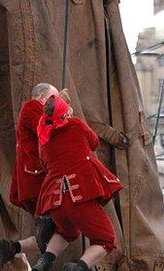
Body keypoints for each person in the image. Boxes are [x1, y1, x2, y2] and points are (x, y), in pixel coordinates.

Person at [31, 95, 123, 271]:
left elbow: (44, 163)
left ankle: (44, 263)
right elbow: (94, 142)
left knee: (67, 232)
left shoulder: (44, 136)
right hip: (79, 196)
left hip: (55, 202)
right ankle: (79, 267)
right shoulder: (76, 125)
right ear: (64, 113)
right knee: (106, 240)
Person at [0, 83, 59, 270]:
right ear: (43, 97)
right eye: (54, 99)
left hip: (35, 179)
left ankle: (12, 248)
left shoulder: (34, 110)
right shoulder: (32, 107)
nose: (56, 104)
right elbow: (45, 130)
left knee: (54, 232)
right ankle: (25, 256)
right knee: (56, 229)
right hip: (37, 180)